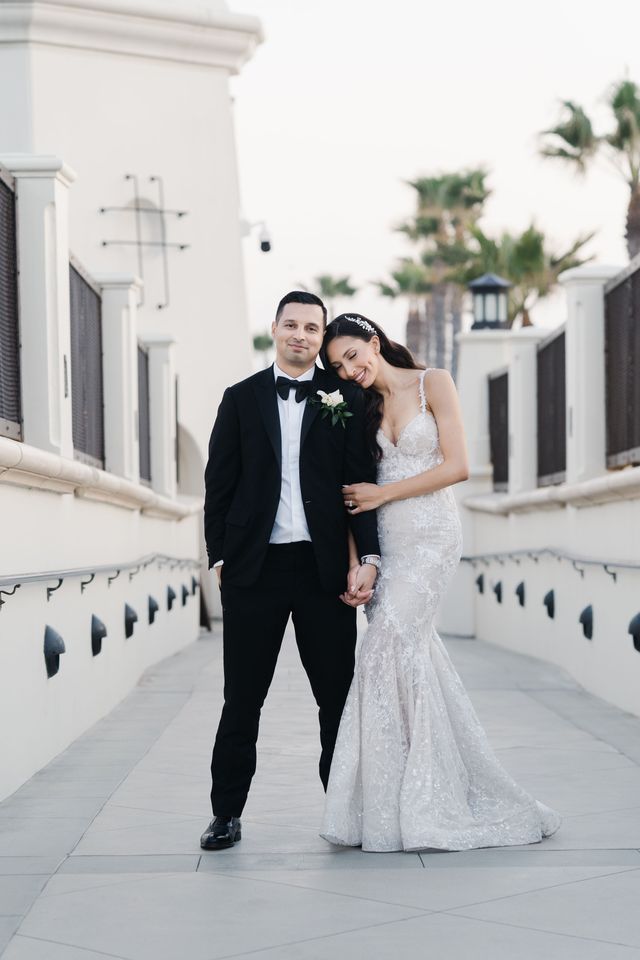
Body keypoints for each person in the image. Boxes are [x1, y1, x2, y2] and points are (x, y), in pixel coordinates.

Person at [320, 313, 561, 852]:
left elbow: (458, 466)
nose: (350, 369)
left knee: (384, 651)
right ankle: (400, 800)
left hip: (430, 537)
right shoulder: (358, 407)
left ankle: (423, 800)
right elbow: (350, 494)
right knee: (409, 658)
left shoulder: (435, 382)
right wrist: (360, 560)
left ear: (375, 343)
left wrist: (384, 494)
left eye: (354, 355)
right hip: (387, 546)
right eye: (338, 366)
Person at [200, 292, 381, 851]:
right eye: (291, 324)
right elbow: (218, 486)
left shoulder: (345, 398)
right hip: (255, 569)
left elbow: (358, 486)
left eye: (311, 327)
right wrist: (221, 557)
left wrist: (368, 559)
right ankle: (225, 813)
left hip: (323, 570)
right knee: (242, 698)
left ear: (321, 337)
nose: (300, 334)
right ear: (274, 328)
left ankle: (342, 807)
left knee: (336, 695)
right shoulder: (239, 399)